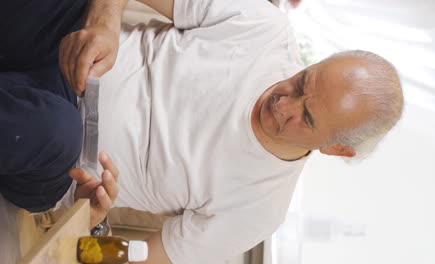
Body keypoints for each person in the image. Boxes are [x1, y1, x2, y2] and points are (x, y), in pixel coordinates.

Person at [0, 0, 403, 263]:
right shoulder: (264, 27)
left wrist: (93, 223)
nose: (282, 101)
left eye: (307, 116)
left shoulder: (259, 209)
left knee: (55, 128)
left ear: (336, 149)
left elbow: (134, 258)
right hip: (66, 43)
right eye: (301, 81)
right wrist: (104, 22)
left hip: (57, 156)